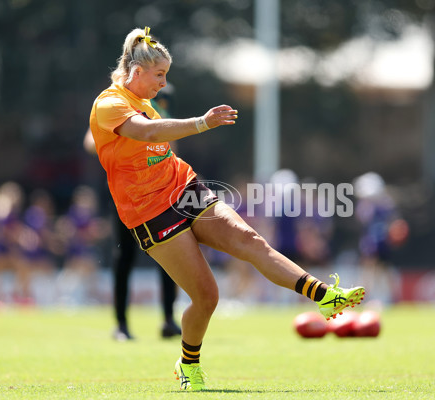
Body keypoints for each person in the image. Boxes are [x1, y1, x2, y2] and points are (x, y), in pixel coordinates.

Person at [89, 26, 365, 391]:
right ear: (137, 72)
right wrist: (202, 122)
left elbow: (157, 144)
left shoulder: (144, 101)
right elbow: (149, 135)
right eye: (160, 75)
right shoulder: (110, 103)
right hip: (149, 213)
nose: (163, 83)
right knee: (207, 296)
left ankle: (325, 297)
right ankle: (188, 363)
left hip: (184, 189)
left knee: (250, 239)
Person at [84, 87, 182, 341]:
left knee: (169, 252)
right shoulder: (116, 101)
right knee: (125, 255)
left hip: (159, 190)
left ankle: (169, 320)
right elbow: (90, 141)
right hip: (126, 190)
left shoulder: (163, 97)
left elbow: (170, 142)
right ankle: (121, 324)